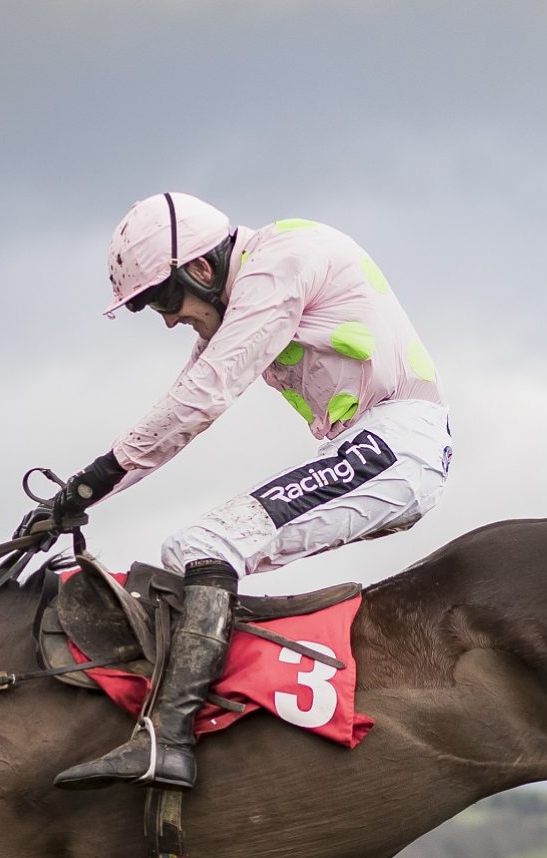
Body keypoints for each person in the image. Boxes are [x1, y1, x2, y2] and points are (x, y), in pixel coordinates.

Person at [48, 192, 452, 792]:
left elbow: (204, 397)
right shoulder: (252, 285)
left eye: (161, 299)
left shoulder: (279, 263)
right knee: (196, 549)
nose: (164, 319)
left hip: (396, 443)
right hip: (374, 445)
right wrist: (77, 499)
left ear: (202, 270)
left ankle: (171, 737)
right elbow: (177, 417)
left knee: (203, 546)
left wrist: (91, 481)